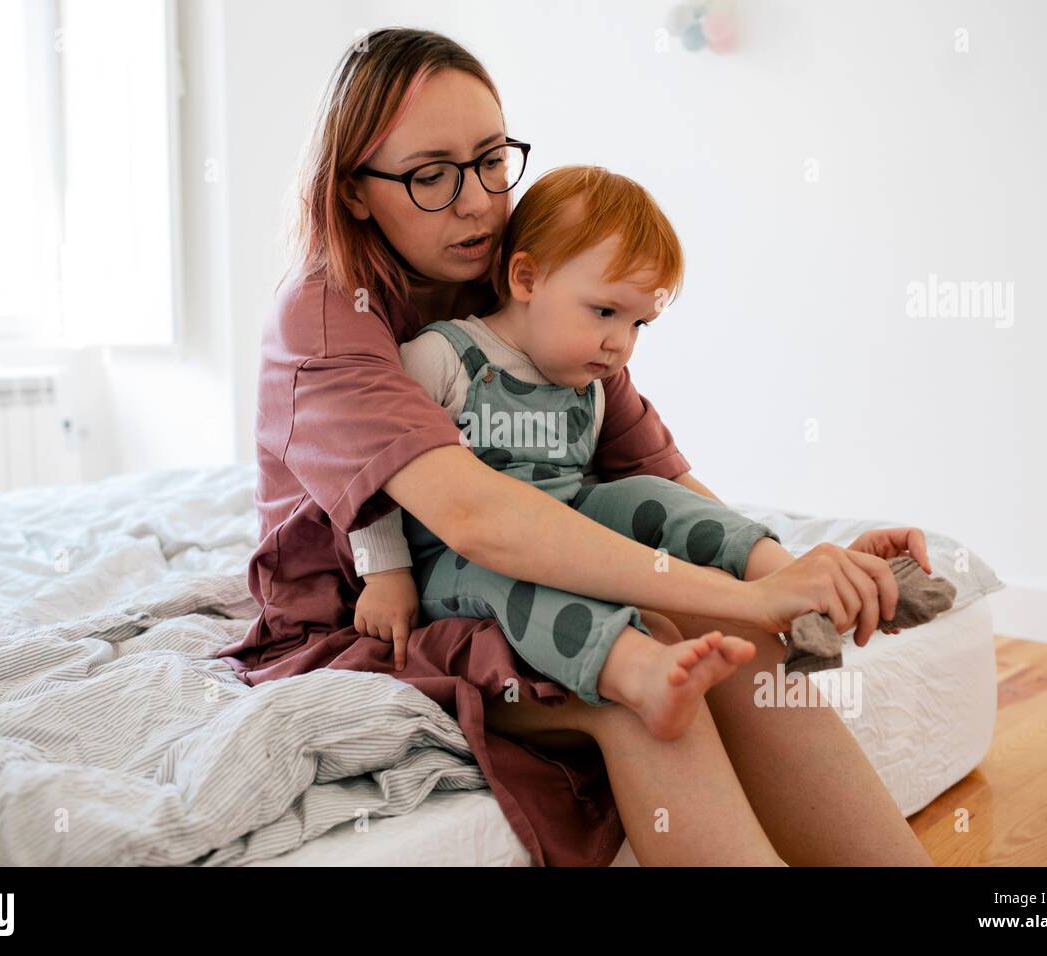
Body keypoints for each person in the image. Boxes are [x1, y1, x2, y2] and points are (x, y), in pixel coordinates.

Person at [218, 27, 935, 867]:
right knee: (649, 662)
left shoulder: (524, 278)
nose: (478, 201)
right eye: (431, 175)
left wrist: (794, 570)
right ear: (354, 193)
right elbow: (480, 522)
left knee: (737, 645)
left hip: (521, 561)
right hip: (385, 610)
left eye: (492, 159)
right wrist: (747, 599)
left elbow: (656, 482)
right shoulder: (327, 317)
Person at [347, 164, 789, 742]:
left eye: (639, 324)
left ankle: (781, 572)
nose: (620, 343)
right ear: (527, 279)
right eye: (605, 312)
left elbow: (625, 486)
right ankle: (636, 669)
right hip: (457, 562)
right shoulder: (442, 356)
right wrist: (385, 571)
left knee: (646, 494)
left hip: (562, 532)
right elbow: (373, 468)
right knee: (508, 573)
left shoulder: (593, 384)